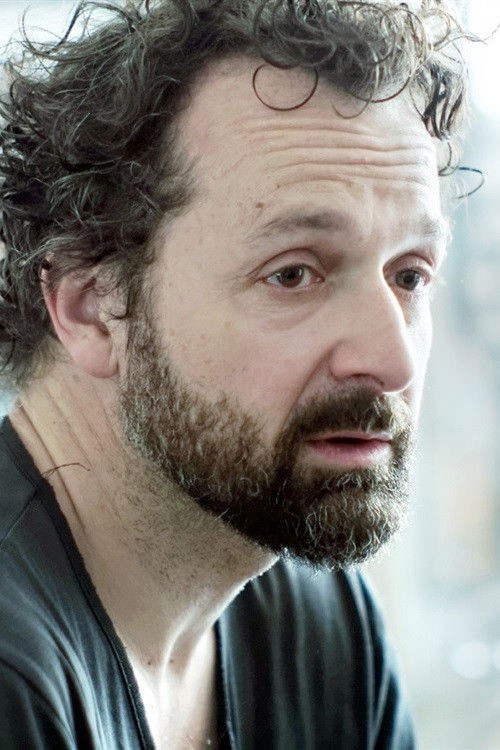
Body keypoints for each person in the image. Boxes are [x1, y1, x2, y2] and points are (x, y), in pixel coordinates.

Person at [0, 1, 469, 748]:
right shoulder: (14, 679)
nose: (394, 362)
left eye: (409, 276)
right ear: (92, 308)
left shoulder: (323, 627)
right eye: (294, 274)